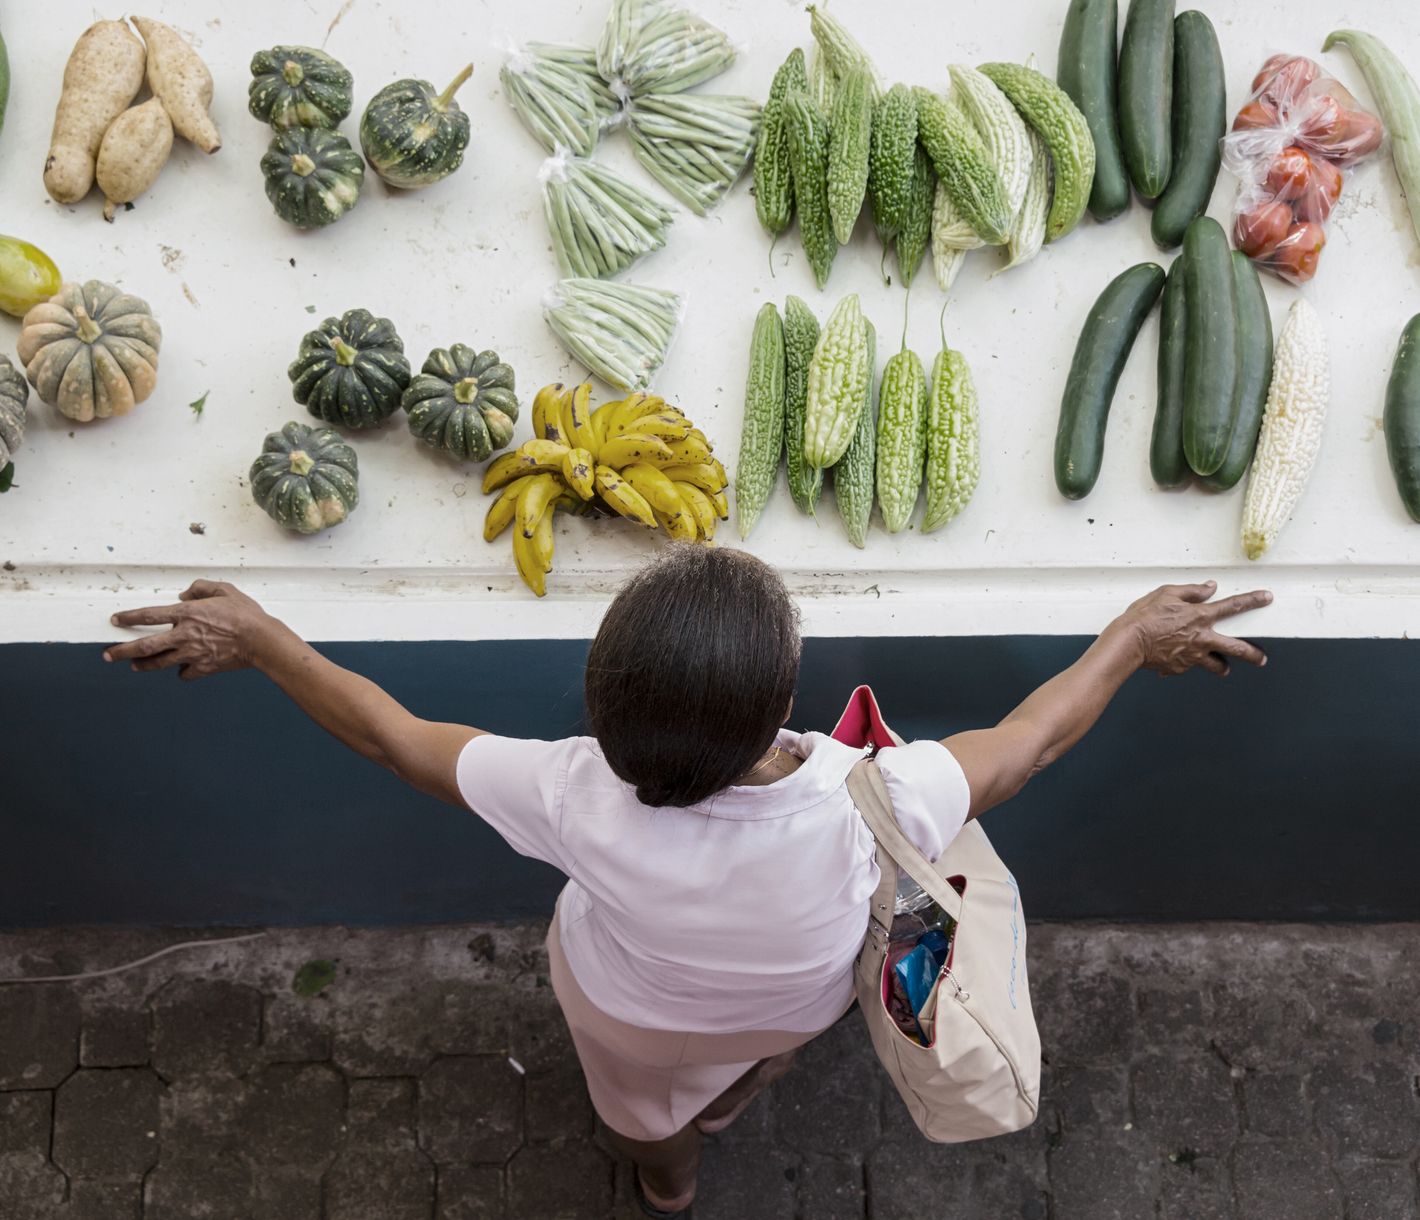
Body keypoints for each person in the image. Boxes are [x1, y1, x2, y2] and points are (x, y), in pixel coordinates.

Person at [105, 546, 1270, 1217]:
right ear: (780, 701)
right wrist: (1126, 639)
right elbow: (1031, 740)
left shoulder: (569, 789)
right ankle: (726, 1100)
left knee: (642, 1111)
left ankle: (667, 1182)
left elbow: (393, 737)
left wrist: (264, 640)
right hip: (796, 999)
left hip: (629, 1010)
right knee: (751, 1057)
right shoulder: (884, 790)